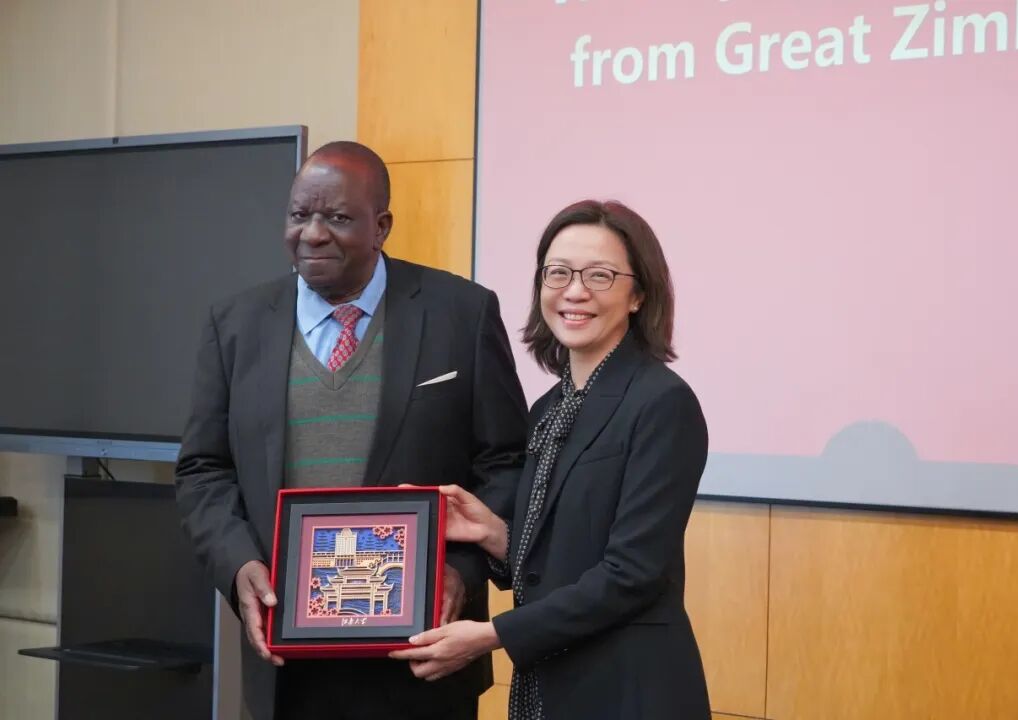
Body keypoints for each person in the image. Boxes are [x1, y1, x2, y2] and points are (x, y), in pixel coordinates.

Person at [174, 141, 528, 720]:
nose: (312, 234)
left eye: (337, 218)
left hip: (421, 662)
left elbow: (506, 462)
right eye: (299, 215)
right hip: (287, 666)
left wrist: (460, 573)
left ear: (381, 226)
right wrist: (238, 566)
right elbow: (203, 469)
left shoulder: (461, 313)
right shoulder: (235, 324)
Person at [390, 200, 712, 719]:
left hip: (628, 690)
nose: (574, 291)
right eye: (558, 272)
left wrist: (492, 634)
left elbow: (632, 573)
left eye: (600, 275)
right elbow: (565, 560)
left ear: (639, 295)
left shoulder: (662, 402)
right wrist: (493, 533)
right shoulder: (548, 410)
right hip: (552, 683)